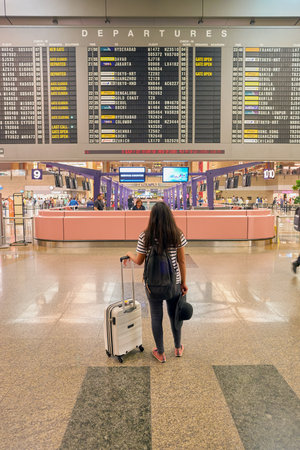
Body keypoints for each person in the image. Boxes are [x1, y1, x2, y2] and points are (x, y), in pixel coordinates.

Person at [124, 202, 188, 363]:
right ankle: (178, 347)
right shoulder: (177, 234)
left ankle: (160, 352)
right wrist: (183, 283)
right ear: (169, 216)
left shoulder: (145, 236)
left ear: (152, 217)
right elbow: (182, 261)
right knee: (175, 316)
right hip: (174, 283)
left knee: (156, 316)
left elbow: (139, 261)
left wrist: (129, 254)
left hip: (153, 284)